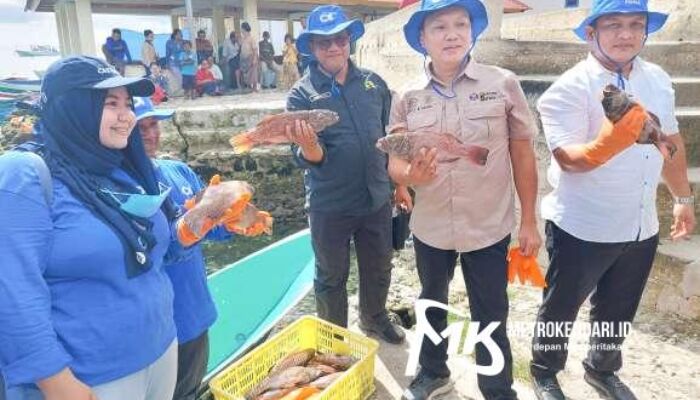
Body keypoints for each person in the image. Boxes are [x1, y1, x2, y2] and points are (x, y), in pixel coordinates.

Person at [530, 1, 696, 399]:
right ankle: (544, 371)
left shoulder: (658, 78)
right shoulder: (567, 89)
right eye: (614, 25)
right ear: (591, 33)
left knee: (619, 307)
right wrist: (612, 141)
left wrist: (682, 197)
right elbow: (568, 159)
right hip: (583, 224)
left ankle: (601, 369)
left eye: (635, 25)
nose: (626, 34)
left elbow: (670, 142)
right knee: (561, 307)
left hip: (640, 223)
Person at [0, 56, 178, 400]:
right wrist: (56, 382)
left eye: (127, 103)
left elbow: (156, 252)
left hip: (159, 351)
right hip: (89, 376)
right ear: (72, 108)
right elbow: (12, 291)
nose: (127, 115)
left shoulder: (122, 169)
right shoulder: (24, 175)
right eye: (111, 104)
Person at [390, 1, 541, 399]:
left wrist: (529, 220)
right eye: (439, 26)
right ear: (422, 38)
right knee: (431, 301)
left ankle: (495, 387)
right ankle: (433, 371)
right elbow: (395, 163)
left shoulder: (503, 83)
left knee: (491, 311)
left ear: (473, 32)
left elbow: (522, 154)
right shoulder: (406, 96)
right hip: (431, 226)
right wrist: (410, 176)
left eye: (461, 24)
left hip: (489, 225)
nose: (452, 33)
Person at [287, 5, 406, 345]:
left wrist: (399, 186)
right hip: (330, 205)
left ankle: (374, 318)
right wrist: (309, 147)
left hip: (376, 198)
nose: (333, 47)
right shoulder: (301, 94)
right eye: (324, 43)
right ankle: (334, 336)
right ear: (312, 48)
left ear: (349, 41)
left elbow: (390, 140)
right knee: (330, 276)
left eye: (339, 39)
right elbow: (304, 156)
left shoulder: (374, 82)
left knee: (380, 266)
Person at [133, 97, 261, 400]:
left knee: (188, 389)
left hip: (194, 312)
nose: (151, 134)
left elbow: (213, 225)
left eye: (154, 125)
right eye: (141, 129)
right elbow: (158, 249)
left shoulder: (178, 170)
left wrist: (235, 223)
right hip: (157, 324)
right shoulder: (126, 187)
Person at [239, 22, 259, 92]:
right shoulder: (243, 38)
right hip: (244, 59)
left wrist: (254, 59)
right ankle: (249, 87)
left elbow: (255, 50)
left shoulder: (251, 38)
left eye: (241, 28)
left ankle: (255, 87)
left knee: (253, 73)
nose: (240, 30)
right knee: (247, 75)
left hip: (251, 57)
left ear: (244, 29)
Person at [166, 29, 184, 93]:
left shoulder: (183, 42)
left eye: (181, 34)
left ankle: (182, 90)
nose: (181, 35)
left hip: (182, 63)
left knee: (183, 77)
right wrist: (167, 64)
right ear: (175, 35)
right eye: (179, 34)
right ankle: (182, 90)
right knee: (179, 77)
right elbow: (167, 54)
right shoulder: (169, 42)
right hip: (173, 63)